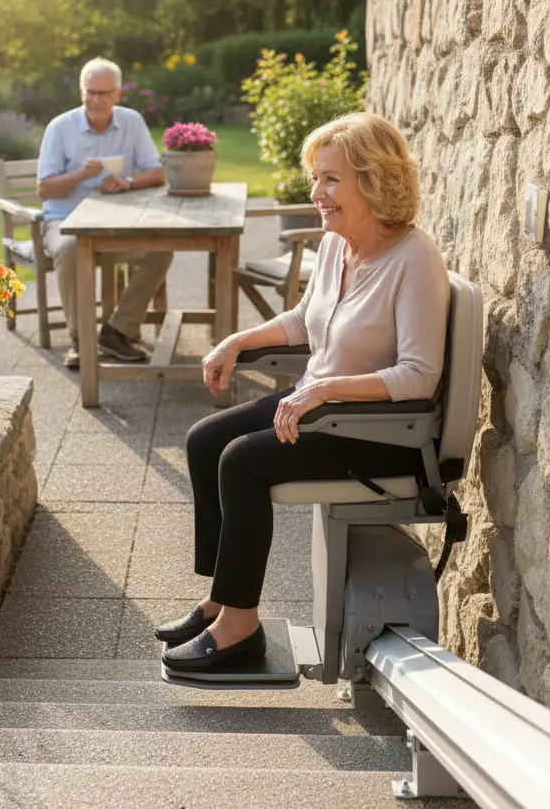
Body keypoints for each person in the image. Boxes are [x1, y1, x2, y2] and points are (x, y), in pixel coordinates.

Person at [155, 112, 451, 673]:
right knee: (204, 440)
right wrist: (237, 342)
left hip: (378, 432)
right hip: (321, 407)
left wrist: (324, 391)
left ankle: (240, 629)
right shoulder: (338, 244)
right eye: (317, 178)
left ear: (374, 180)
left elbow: (419, 376)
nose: (317, 193)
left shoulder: (415, 260)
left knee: (241, 461)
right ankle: (222, 599)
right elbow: (304, 320)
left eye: (331, 180)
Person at [37, 58, 170, 369]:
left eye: (104, 93)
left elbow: (157, 173)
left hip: (117, 222)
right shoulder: (60, 127)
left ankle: (117, 331)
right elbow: (44, 189)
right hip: (65, 221)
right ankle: (80, 339)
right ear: (81, 92)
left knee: (161, 247)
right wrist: (81, 174)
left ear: (118, 94)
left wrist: (127, 182)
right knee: (70, 247)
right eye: (90, 92)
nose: (96, 99)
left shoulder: (132, 122)